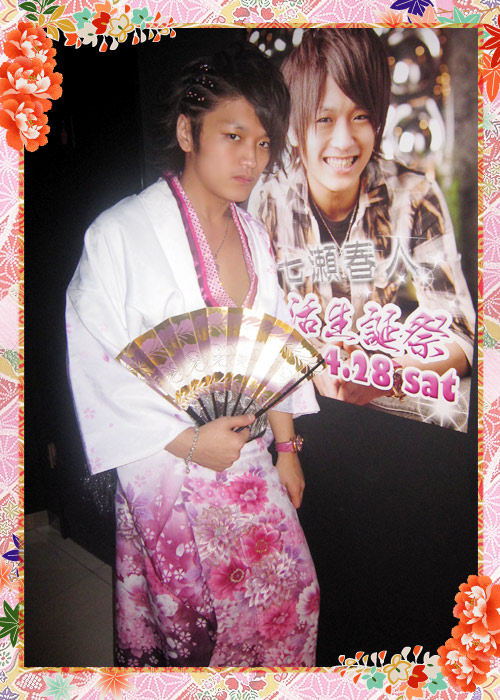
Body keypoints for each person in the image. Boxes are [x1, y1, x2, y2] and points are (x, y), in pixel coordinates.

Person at [66, 43, 319, 668]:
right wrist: (188, 442)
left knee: (295, 601)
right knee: (194, 630)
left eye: (263, 143)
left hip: (249, 462)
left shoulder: (253, 235)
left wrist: (287, 449)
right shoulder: (119, 233)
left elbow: (274, 346)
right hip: (166, 467)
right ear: (187, 131)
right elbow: (97, 360)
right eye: (233, 136)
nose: (251, 159)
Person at [248, 28, 475, 419]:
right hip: (299, 399)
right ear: (293, 127)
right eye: (324, 119)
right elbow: (254, 323)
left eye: (361, 116)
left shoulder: (415, 195)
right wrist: (312, 363)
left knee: (453, 410)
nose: (344, 141)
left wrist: (386, 374)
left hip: (385, 395)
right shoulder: (269, 198)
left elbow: (461, 335)